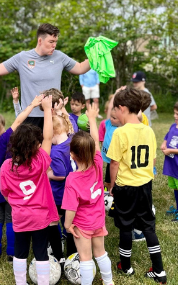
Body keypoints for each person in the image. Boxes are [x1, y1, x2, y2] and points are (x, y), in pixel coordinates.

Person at [105, 87, 166, 282]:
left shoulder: (120, 133)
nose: (114, 114)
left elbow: (114, 163)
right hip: (145, 185)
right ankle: (159, 270)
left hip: (125, 187)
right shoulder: (148, 130)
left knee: (125, 226)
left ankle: (126, 266)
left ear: (121, 108)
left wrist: (111, 186)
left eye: (115, 110)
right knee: (148, 226)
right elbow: (153, 160)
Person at [0, 24, 91, 127]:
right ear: (40, 40)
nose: (54, 45)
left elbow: (81, 68)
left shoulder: (59, 57)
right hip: (30, 118)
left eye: (56, 41)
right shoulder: (22, 58)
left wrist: (95, 57)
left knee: (53, 149)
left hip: (54, 115)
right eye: (51, 41)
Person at [0, 96, 41, 261]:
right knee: (11, 219)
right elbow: (18, 122)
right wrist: (31, 105)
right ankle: (11, 252)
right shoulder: (3, 140)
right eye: (2, 126)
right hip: (9, 188)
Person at [1, 95, 58, 285]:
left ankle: (20, 282)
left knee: (20, 251)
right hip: (40, 216)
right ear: (36, 146)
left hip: (20, 216)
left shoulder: (6, 166)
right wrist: (47, 110)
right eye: (39, 143)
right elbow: (49, 136)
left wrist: (17, 203)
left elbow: (5, 193)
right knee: (41, 252)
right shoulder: (40, 161)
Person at [62, 101, 115, 285]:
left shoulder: (72, 179)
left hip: (82, 225)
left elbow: (70, 208)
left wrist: (68, 225)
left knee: (85, 258)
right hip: (98, 219)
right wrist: (92, 119)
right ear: (92, 151)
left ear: (72, 155)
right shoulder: (98, 164)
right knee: (101, 253)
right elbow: (95, 141)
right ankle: (109, 282)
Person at [47, 102, 76, 261]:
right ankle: (72, 255)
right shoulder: (71, 142)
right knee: (70, 224)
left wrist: (47, 175)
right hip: (72, 193)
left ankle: (59, 256)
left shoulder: (55, 151)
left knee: (53, 222)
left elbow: (60, 174)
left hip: (59, 194)